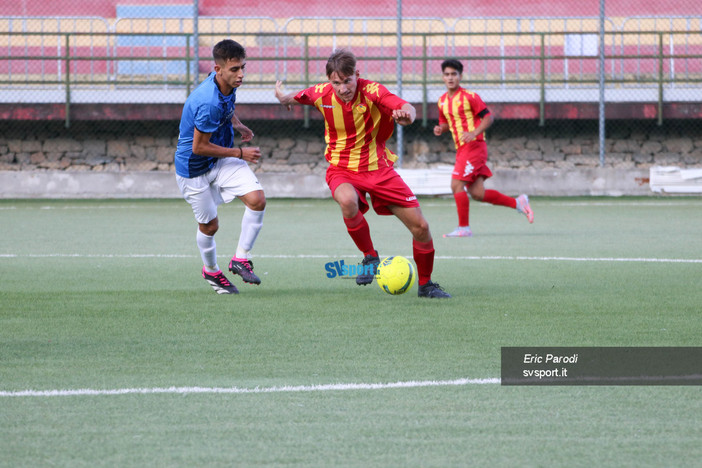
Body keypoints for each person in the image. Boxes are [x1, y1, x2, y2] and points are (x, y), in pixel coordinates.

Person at [275, 49, 450, 298]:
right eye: (336, 82)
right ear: (329, 81)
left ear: (357, 74)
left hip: (379, 169)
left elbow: (404, 106)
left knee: (421, 227)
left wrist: (407, 116)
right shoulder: (321, 93)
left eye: (347, 81)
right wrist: (283, 97)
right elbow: (298, 97)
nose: (343, 88)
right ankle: (370, 257)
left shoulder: (372, 91)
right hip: (341, 169)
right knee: (347, 201)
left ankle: (426, 285)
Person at [174, 39, 266, 294]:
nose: (241, 74)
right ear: (218, 69)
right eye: (235, 69)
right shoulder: (208, 102)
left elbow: (227, 106)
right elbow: (199, 147)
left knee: (257, 200)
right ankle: (212, 271)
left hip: (220, 159)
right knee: (210, 226)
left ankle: (240, 259)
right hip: (194, 169)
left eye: (242, 67)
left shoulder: (225, 83)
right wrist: (240, 152)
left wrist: (237, 125)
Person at [434, 59, 534, 238]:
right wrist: (441, 128)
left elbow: (488, 118)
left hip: (474, 147)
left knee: (456, 184)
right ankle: (518, 203)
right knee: (478, 193)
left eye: (454, 74)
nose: (450, 78)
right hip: (461, 149)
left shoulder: (470, 97)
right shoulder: (441, 101)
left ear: (460, 76)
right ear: (442, 77)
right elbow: (445, 122)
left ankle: (464, 228)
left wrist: (474, 132)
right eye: (447, 74)